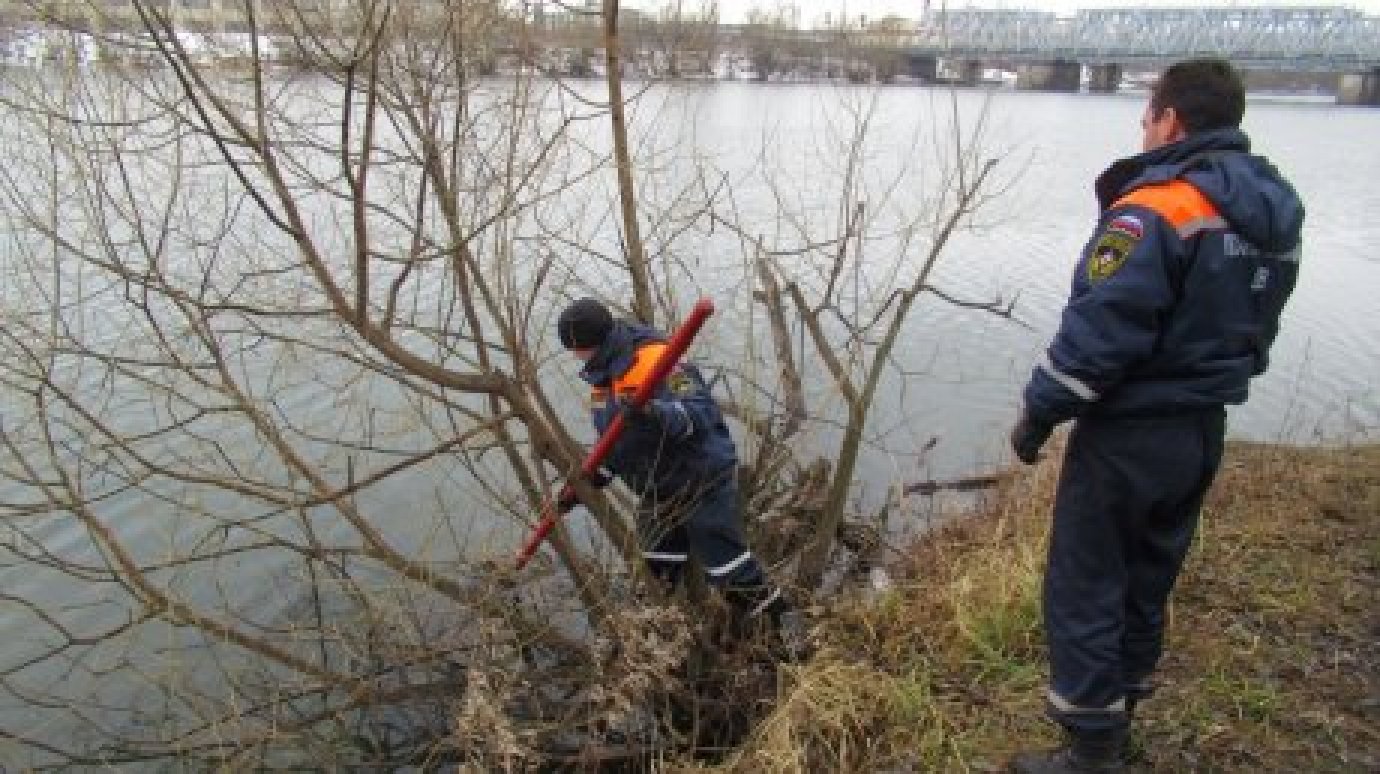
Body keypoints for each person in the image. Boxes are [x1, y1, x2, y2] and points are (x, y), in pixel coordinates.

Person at [1008, 58, 1304, 773]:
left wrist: (1040, 412)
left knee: (1087, 580)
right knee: (1148, 574)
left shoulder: (1160, 207)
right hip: (1203, 428)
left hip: (1130, 433)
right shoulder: (1275, 209)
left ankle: (1091, 750)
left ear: (1171, 120)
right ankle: (1122, 714)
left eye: (1147, 115)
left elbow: (1102, 332)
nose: (1143, 128)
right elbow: (1259, 322)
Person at [554, 297, 804, 655]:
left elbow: (699, 412)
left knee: (731, 572)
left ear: (587, 346)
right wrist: (592, 480)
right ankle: (654, 655)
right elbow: (619, 444)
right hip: (658, 488)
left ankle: (787, 625)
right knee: (654, 572)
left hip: (701, 480)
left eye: (575, 350)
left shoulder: (657, 359)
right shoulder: (602, 376)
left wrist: (655, 413)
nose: (574, 358)